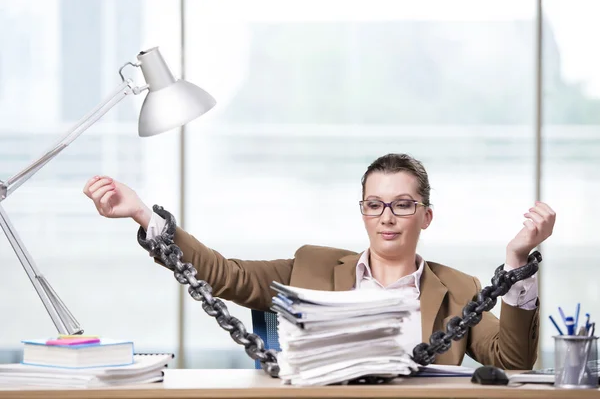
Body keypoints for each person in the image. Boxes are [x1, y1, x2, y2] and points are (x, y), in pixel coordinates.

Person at [83, 153, 555, 369]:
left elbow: (513, 360)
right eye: (375, 204)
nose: (387, 218)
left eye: (403, 204)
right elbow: (224, 275)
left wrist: (516, 261)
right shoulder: (310, 266)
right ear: (364, 212)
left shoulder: (458, 288)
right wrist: (145, 216)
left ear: (426, 216)